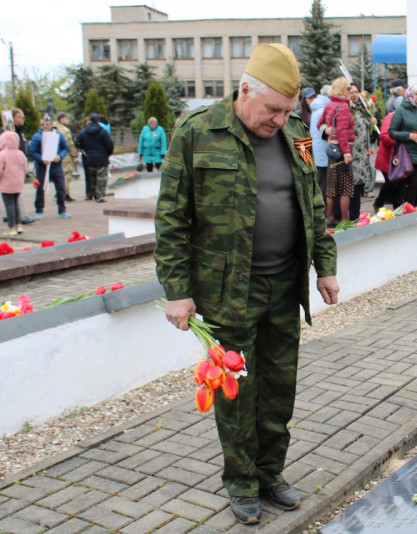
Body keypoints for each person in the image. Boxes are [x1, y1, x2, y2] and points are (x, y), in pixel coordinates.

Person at [154, 43, 339, 525]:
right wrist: (177, 291)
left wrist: (326, 266)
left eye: (287, 109)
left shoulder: (296, 133)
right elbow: (171, 218)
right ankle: (241, 481)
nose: (279, 119)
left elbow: (313, 204)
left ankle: (271, 474)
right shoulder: (197, 132)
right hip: (227, 291)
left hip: (285, 286)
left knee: (279, 388)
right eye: (272, 109)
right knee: (235, 392)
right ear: (244, 90)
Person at [318, 77, 355, 225]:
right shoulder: (344, 106)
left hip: (331, 149)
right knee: (346, 186)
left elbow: (319, 124)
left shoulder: (329, 104)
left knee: (331, 185)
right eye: (348, 88)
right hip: (342, 149)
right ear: (342, 90)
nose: (350, 91)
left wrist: (326, 130)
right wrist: (346, 152)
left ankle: (330, 217)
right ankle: (345, 219)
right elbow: (342, 132)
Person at [29, 115, 71, 219]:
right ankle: (39, 210)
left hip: (57, 166)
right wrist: (41, 159)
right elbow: (32, 151)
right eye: (42, 124)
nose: (44, 126)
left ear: (52, 124)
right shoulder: (37, 136)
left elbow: (66, 148)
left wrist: (60, 156)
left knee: (61, 188)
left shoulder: (59, 135)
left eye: (47, 124)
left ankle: (62, 210)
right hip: (42, 167)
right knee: (40, 189)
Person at [347, 82, 377, 220]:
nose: (354, 95)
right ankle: (349, 218)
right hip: (351, 154)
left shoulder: (362, 108)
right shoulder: (346, 109)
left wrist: (372, 121)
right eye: (351, 92)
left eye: (356, 92)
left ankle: (355, 217)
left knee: (358, 189)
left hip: (362, 155)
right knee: (351, 188)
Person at [0, 130, 29, 235]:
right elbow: (26, 169)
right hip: (18, 183)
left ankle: (11, 227)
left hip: (6, 183)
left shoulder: (2, 154)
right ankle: (18, 224)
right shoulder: (20, 153)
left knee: (9, 205)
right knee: (16, 203)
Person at [310, 85, 331, 207]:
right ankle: (322, 209)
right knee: (324, 184)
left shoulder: (316, 108)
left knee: (319, 181)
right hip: (323, 151)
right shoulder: (324, 110)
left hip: (317, 151)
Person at [54, 113, 79, 201]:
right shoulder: (65, 130)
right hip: (64, 155)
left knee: (58, 175)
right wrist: (74, 155)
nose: (68, 120)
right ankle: (64, 194)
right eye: (66, 118)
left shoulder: (52, 127)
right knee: (67, 174)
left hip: (54, 155)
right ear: (62, 119)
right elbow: (70, 144)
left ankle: (59, 193)